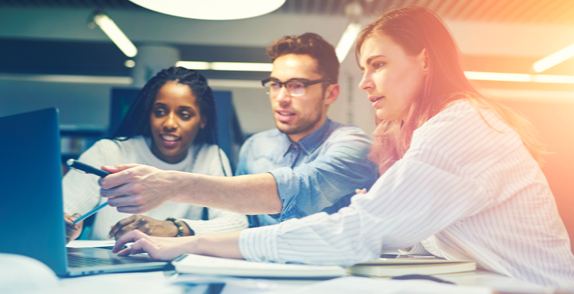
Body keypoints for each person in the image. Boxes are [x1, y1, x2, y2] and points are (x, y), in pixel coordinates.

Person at [110, 7, 574, 289]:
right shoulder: (444, 126)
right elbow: (399, 239)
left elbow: (354, 231)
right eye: (275, 84)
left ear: (424, 61)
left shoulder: (462, 126)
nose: (366, 83)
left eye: (378, 64)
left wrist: (191, 241)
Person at [97, 33, 378, 227]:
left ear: (331, 93)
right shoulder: (256, 147)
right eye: (276, 84)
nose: (281, 97)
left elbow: (302, 187)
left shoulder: (354, 145)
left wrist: (171, 186)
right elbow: (240, 223)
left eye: (297, 85)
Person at [64, 67, 248, 242]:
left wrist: (172, 228)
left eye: (184, 115)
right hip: (107, 261)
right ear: (149, 115)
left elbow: (237, 224)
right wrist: (65, 225)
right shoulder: (108, 151)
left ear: (202, 121)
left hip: (171, 266)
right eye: (160, 112)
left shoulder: (209, 156)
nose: (169, 123)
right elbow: (59, 213)